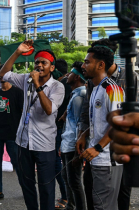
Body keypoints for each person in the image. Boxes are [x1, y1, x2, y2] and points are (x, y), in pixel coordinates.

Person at [0, 40, 65, 210]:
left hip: (44, 145)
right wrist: (17, 52)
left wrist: (37, 85)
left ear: (52, 67)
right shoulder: (26, 79)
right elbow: (2, 74)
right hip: (24, 142)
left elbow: (48, 109)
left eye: (44, 62)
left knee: (46, 187)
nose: (39, 65)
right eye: (37, 62)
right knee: (27, 186)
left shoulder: (57, 87)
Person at [77, 38, 135, 210]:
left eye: (87, 62)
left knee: (104, 206)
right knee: (100, 204)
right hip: (97, 159)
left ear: (101, 65)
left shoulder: (113, 89)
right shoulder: (95, 88)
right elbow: (100, 121)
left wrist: (98, 148)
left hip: (107, 160)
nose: (83, 66)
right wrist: (84, 134)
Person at [0, 65, 23, 201]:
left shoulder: (18, 92)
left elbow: (24, 113)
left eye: (3, 75)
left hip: (13, 134)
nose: (0, 78)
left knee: (17, 163)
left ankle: (26, 189)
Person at [59, 62, 87, 210]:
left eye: (70, 73)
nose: (67, 76)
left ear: (76, 77)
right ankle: (71, 205)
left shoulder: (79, 96)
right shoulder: (75, 94)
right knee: (67, 177)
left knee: (74, 181)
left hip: (73, 145)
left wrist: (77, 152)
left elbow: (79, 125)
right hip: (67, 143)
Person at [53, 59, 71, 209]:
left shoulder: (63, 85)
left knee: (56, 163)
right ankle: (67, 196)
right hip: (65, 130)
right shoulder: (67, 83)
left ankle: (65, 196)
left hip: (60, 129)